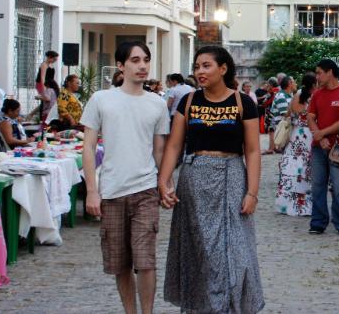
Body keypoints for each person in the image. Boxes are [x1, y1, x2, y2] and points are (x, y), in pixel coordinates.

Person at [159, 46, 264, 313]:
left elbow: (252, 150)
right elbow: (174, 145)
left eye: (206, 66)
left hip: (231, 176)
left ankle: (231, 306)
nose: (200, 72)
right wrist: (164, 180)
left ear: (223, 68)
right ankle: (201, 307)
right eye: (197, 67)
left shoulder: (243, 102)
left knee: (236, 251)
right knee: (200, 249)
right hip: (194, 177)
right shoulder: (189, 101)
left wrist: (252, 193)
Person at [81, 41, 170, 314]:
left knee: (145, 261)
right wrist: (92, 191)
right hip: (111, 190)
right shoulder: (101, 100)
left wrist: (164, 184)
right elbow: (88, 146)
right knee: (119, 263)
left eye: (145, 59)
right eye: (134, 60)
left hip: (145, 190)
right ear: (121, 66)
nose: (142, 65)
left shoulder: (157, 104)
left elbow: (159, 150)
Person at [307, 59, 339, 236]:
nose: (317, 76)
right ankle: (318, 223)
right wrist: (320, 135)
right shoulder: (317, 94)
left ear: (330, 72)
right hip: (319, 147)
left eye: (319, 72)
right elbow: (310, 117)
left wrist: (322, 133)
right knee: (318, 185)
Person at [276, 73, 316, 216]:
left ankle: (286, 203)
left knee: (293, 166)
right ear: (313, 84)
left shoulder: (295, 95)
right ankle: (303, 204)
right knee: (306, 167)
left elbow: (288, 114)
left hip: (296, 133)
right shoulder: (314, 96)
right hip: (309, 134)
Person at [270, 76, 295, 141]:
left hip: (288, 128)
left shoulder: (290, 95)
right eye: (294, 82)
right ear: (289, 84)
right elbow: (286, 114)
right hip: (284, 129)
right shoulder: (281, 96)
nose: (296, 84)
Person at [262, 76, 280, 155]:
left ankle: (270, 148)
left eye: (268, 84)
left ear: (271, 84)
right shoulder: (279, 90)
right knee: (274, 130)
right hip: (276, 113)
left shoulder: (271, 92)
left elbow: (265, 103)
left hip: (271, 113)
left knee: (271, 130)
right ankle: (275, 147)